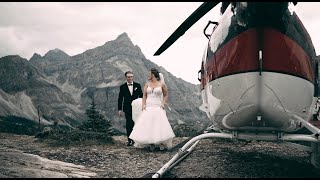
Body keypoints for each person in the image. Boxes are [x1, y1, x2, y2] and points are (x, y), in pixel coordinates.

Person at [129, 68, 175, 151]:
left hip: (157, 105)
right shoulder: (147, 84)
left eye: (149, 74)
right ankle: (151, 143)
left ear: (153, 74)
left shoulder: (162, 84)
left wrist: (163, 104)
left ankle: (161, 142)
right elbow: (144, 96)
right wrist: (143, 105)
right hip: (149, 105)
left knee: (158, 124)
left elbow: (165, 95)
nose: (148, 75)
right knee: (148, 124)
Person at [118, 71, 143, 146]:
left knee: (137, 123)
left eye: (131, 76)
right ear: (126, 77)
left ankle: (137, 139)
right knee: (129, 123)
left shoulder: (137, 85)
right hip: (127, 108)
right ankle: (130, 140)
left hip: (137, 108)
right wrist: (120, 109)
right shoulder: (122, 87)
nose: (130, 78)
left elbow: (141, 96)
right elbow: (120, 98)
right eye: (128, 77)